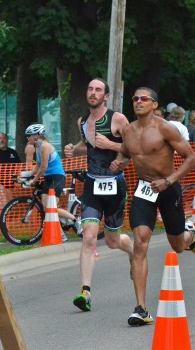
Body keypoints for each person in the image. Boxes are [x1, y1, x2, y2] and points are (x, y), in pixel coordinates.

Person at [110, 87, 195, 326]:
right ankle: (140, 308)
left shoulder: (164, 128)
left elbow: (192, 159)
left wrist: (169, 180)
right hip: (144, 190)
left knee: (178, 246)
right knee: (140, 243)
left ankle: (190, 236)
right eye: (135, 99)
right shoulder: (128, 130)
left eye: (144, 99)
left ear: (154, 105)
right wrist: (118, 163)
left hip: (168, 188)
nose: (138, 102)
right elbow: (124, 154)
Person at [64, 78, 133, 312]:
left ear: (106, 96)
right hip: (92, 186)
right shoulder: (82, 121)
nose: (93, 93)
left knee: (113, 241)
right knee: (89, 238)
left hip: (115, 187)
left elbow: (133, 147)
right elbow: (90, 144)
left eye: (98, 90)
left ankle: (132, 251)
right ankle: (85, 293)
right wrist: (75, 149)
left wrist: (116, 153)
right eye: (90, 89)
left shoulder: (117, 119)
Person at [24, 123, 80, 242]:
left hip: (57, 177)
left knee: (52, 207)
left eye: (29, 136)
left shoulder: (44, 146)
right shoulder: (37, 147)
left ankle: (76, 221)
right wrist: (27, 175)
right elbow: (38, 165)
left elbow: (43, 167)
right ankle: (61, 235)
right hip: (48, 178)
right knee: (46, 208)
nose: (27, 138)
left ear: (37, 136)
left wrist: (33, 180)